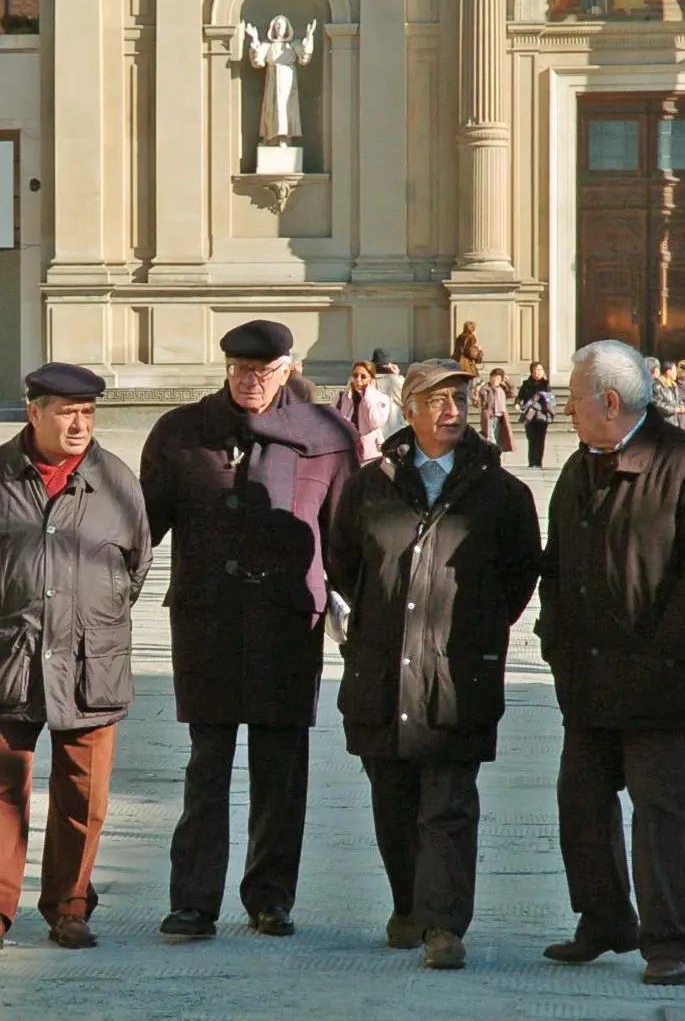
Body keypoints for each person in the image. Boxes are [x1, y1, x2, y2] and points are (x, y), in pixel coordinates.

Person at [140, 320, 358, 940]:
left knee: (280, 769)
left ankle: (270, 897)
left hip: (288, 626)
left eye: (263, 371)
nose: (249, 381)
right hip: (207, 623)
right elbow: (137, 528)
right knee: (207, 766)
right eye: (239, 369)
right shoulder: (181, 433)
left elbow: (348, 538)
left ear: (287, 369)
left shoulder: (327, 435)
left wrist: (368, 613)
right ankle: (194, 901)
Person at [329, 358, 540, 970]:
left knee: (448, 802)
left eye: (461, 397)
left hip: (458, 674)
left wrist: (474, 624)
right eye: (437, 399)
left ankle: (444, 925)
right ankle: (409, 906)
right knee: (392, 799)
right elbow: (344, 562)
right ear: (409, 408)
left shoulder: (500, 492)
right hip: (380, 669)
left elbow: (519, 573)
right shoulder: (368, 486)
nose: (452, 409)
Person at [536, 339, 685, 987]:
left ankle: (670, 941)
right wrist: (555, 643)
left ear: (609, 400)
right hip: (588, 681)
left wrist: (670, 658)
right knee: (580, 801)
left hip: (662, 686)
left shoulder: (677, 465)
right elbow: (555, 566)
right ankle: (603, 920)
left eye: (572, 397)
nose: (564, 407)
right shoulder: (576, 468)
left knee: (660, 817)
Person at [0, 363, 152, 951]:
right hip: (10, 656)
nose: (79, 424)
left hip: (92, 661)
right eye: (66, 412)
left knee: (83, 795)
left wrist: (94, 617)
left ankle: (69, 906)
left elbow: (134, 566)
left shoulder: (115, 480)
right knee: (4, 791)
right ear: (33, 412)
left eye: (88, 414)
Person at [245, 15, 316, 146]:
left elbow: (304, 57)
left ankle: (284, 137)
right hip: (272, 77)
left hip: (287, 78)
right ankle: (270, 136)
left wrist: (309, 36)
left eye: (282, 25)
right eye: (277, 25)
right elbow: (257, 61)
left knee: (285, 106)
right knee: (271, 107)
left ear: (287, 28)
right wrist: (254, 38)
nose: (279, 28)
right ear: (273, 28)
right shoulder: (268, 45)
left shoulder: (292, 44)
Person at [336, 361, 390, 462]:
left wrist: (368, 397)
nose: (358, 380)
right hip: (345, 452)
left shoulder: (381, 398)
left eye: (363, 377)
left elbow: (375, 423)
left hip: (369, 454)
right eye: (355, 376)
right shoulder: (341, 397)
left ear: (371, 379)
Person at [516, 362, 554, 469]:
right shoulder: (526, 384)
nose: (538, 372)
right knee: (531, 438)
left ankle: (538, 462)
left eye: (540, 370)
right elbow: (519, 396)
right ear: (532, 371)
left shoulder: (546, 384)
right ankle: (531, 462)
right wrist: (517, 404)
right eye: (536, 370)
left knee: (540, 438)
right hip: (529, 415)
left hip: (542, 414)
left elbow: (549, 399)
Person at [478, 367, 515, 452]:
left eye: (498, 378)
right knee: (490, 436)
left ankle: (494, 454)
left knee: (496, 435)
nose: (495, 380)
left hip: (500, 417)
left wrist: (508, 381)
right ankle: (493, 454)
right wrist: (477, 389)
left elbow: (513, 393)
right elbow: (477, 402)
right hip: (489, 416)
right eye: (493, 377)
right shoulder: (486, 389)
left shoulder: (503, 388)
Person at [370, 348, 405, 438]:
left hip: (369, 432)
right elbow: (405, 399)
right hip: (391, 431)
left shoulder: (361, 377)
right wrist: (397, 375)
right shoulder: (394, 380)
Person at [651, 359, 685, 427]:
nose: (676, 373)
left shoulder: (674, 385)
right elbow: (658, 404)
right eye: (675, 371)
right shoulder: (657, 386)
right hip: (665, 424)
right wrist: (675, 409)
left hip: (677, 423)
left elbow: (679, 399)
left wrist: (682, 406)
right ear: (668, 372)